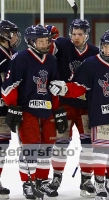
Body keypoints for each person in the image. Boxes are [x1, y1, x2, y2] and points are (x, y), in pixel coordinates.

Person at [49, 30, 109, 200]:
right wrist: (64, 88)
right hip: (99, 114)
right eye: (105, 47)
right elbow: (79, 87)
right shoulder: (90, 64)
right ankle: (99, 182)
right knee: (100, 149)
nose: (108, 50)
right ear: (101, 46)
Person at [1, 24, 67, 199]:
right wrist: (13, 107)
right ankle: (28, 183)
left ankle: (42, 181)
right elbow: (9, 86)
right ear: (31, 42)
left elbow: (53, 87)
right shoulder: (20, 58)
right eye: (41, 41)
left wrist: (58, 109)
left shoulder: (52, 60)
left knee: (46, 148)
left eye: (47, 40)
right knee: (30, 148)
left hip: (47, 111)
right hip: (27, 111)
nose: (46, 43)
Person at [48, 19, 99, 197]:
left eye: (80, 34)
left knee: (88, 145)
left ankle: (86, 180)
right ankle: (56, 178)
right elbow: (47, 49)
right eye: (74, 33)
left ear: (86, 35)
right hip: (65, 105)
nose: (76, 37)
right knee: (61, 143)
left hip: (85, 106)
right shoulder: (62, 44)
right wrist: (48, 36)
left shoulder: (94, 53)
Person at [0, 19, 21, 199]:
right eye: (13, 33)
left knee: (3, 146)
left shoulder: (12, 53)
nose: (15, 37)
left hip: (6, 110)